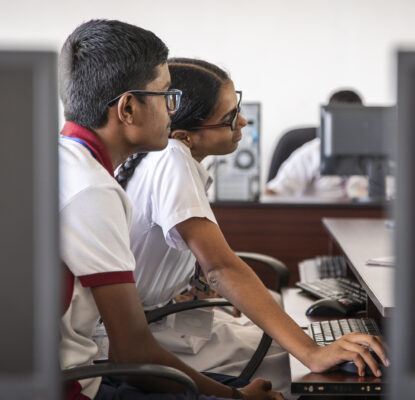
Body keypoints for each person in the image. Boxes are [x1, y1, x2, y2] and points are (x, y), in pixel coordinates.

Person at [116, 59, 389, 390]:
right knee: (297, 366)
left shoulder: (164, 156)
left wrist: (193, 283)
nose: (243, 121)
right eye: (229, 118)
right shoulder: (172, 159)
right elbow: (221, 267)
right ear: (186, 135)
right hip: (154, 342)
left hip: (168, 323)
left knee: (285, 318)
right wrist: (313, 354)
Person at [58, 20, 280, 400]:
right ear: (128, 108)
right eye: (165, 96)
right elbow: (133, 351)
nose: (171, 111)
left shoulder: (67, 162)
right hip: (74, 386)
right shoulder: (93, 190)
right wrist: (235, 399)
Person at [264, 90, 367, 198]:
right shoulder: (310, 153)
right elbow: (275, 191)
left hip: (360, 213)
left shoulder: (372, 155)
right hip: (317, 213)